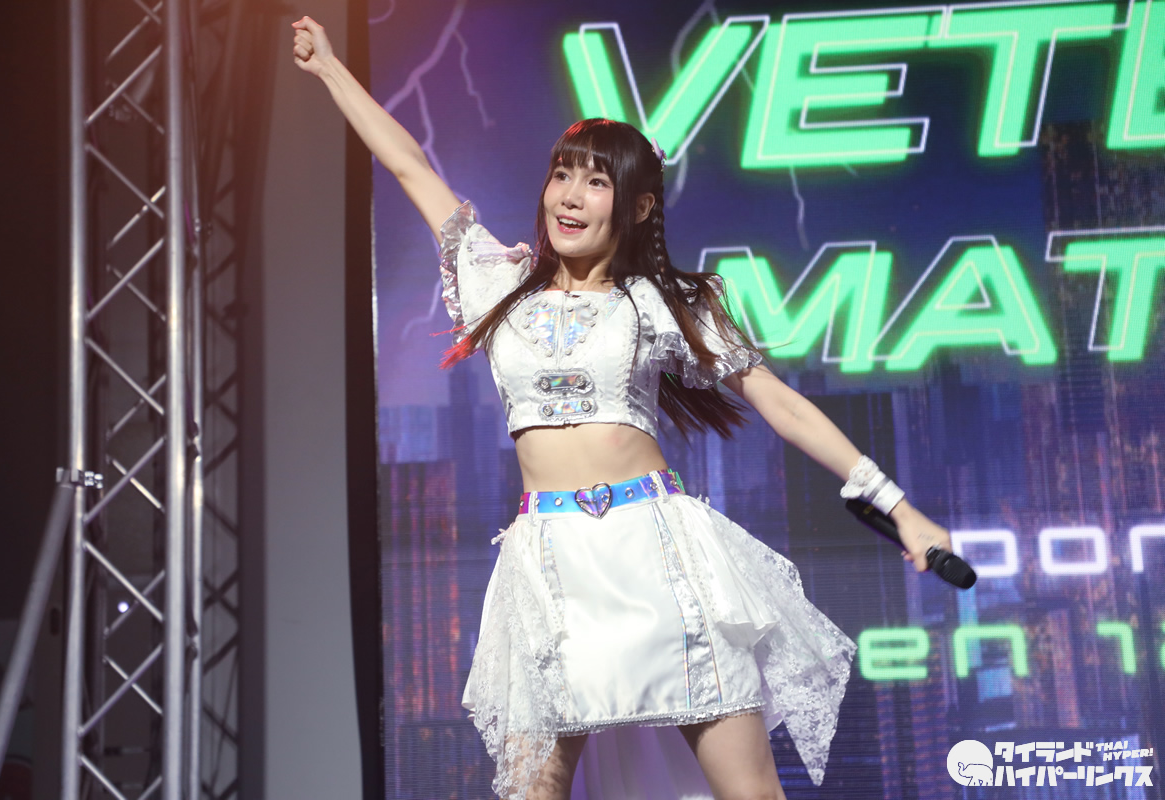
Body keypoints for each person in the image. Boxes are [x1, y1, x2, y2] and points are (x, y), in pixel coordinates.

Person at [292, 16, 953, 800]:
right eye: (561, 174)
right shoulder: (496, 284)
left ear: (637, 208)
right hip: (549, 567)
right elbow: (408, 165)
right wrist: (329, 69)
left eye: (596, 182)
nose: (570, 197)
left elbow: (780, 404)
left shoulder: (662, 302)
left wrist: (898, 506)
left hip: (661, 561)